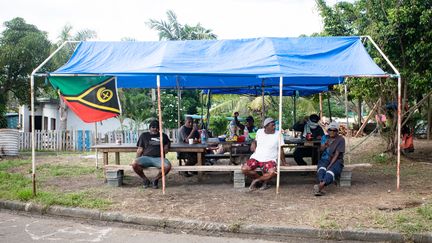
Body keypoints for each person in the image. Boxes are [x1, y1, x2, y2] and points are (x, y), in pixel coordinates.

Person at [241, 118, 286, 191]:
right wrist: (253, 143)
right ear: (266, 127)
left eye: (274, 125)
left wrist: (284, 162)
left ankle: (256, 180)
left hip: (270, 159)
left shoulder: (278, 134)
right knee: (244, 169)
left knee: (273, 172)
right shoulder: (259, 132)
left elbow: (281, 150)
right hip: (256, 157)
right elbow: (255, 140)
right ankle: (262, 181)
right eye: (272, 125)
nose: (274, 127)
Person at [131, 120, 171, 189]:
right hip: (146, 158)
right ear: (149, 128)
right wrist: (136, 159)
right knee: (134, 164)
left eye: (157, 127)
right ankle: (145, 179)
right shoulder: (144, 135)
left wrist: (167, 145)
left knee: (167, 166)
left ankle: (155, 180)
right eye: (153, 127)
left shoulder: (163, 136)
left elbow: (167, 148)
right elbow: (140, 149)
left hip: (159, 158)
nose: (155, 129)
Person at [314, 121, 345, 196]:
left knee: (331, 171)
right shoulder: (325, 137)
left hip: (336, 160)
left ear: (337, 131)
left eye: (334, 130)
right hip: (325, 158)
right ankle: (321, 184)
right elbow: (321, 150)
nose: (332, 132)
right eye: (330, 130)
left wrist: (330, 165)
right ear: (328, 130)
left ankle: (320, 186)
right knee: (321, 168)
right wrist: (325, 145)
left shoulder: (340, 139)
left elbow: (337, 155)